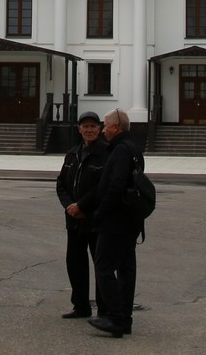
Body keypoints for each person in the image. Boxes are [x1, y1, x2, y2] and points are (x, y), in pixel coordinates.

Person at [89, 108, 143, 338]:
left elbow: (116, 185)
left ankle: (116, 318)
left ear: (116, 128)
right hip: (130, 220)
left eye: (105, 125)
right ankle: (125, 319)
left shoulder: (121, 150)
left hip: (116, 221)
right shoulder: (133, 148)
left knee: (103, 266)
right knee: (126, 268)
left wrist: (101, 212)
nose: (103, 129)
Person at [56, 111, 108, 319]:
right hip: (74, 220)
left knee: (101, 265)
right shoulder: (72, 154)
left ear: (100, 129)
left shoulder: (106, 154)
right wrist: (69, 205)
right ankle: (81, 305)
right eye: (85, 126)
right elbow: (61, 183)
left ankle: (104, 308)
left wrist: (82, 206)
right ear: (79, 129)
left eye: (93, 127)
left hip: (94, 220)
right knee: (75, 263)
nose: (89, 130)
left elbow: (101, 186)